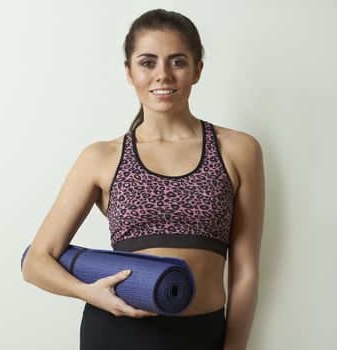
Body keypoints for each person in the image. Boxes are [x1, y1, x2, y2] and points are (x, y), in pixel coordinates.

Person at [21, 8, 264, 350]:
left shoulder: (238, 149)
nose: (162, 75)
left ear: (198, 70)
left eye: (177, 61)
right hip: (116, 331)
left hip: (202, 334)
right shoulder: (101, 157)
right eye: (147, 62)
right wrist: (88, 292)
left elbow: (247, 270)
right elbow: (36, 261)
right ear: (129, 72)